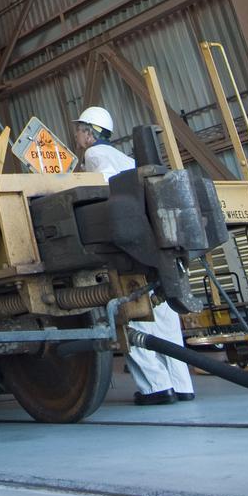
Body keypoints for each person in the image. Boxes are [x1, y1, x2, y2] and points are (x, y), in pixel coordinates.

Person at [73, 106, 195, 407]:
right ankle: (182, 386)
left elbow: (100, 195)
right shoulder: (126, 158)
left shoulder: (95, 157)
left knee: (134, 321)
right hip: (156, 250)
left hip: (130, 250)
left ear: (90, 133)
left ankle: (155, 388)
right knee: (166, 323)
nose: (76, 135)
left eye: (79, 129)